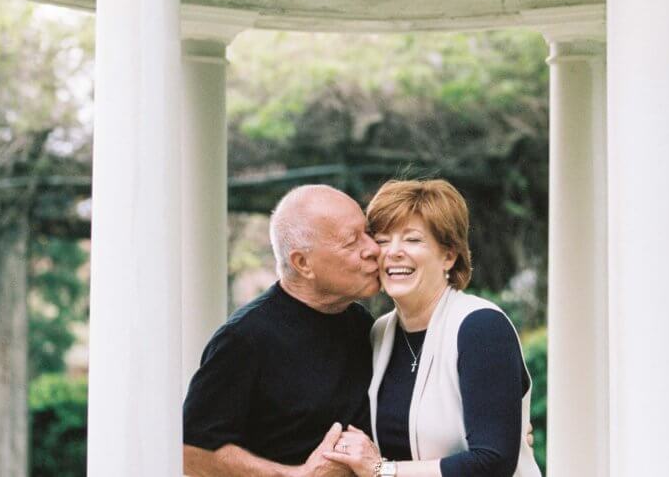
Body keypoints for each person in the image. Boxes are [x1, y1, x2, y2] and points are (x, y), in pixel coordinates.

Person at [323, 179, 542, 477]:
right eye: (384, 240)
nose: (394, 252)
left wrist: (382, 471)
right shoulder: (379, 334)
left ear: (449, 256)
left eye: (413, 240)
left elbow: (493, 462)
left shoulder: (480, 326)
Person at [183, 184, 382, 477]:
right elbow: (192, 452)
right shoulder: (243, 339)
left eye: (368, 232)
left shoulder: (363, 324)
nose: (373, 249)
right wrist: (294, 475)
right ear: (303, 264)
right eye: (352, 242)